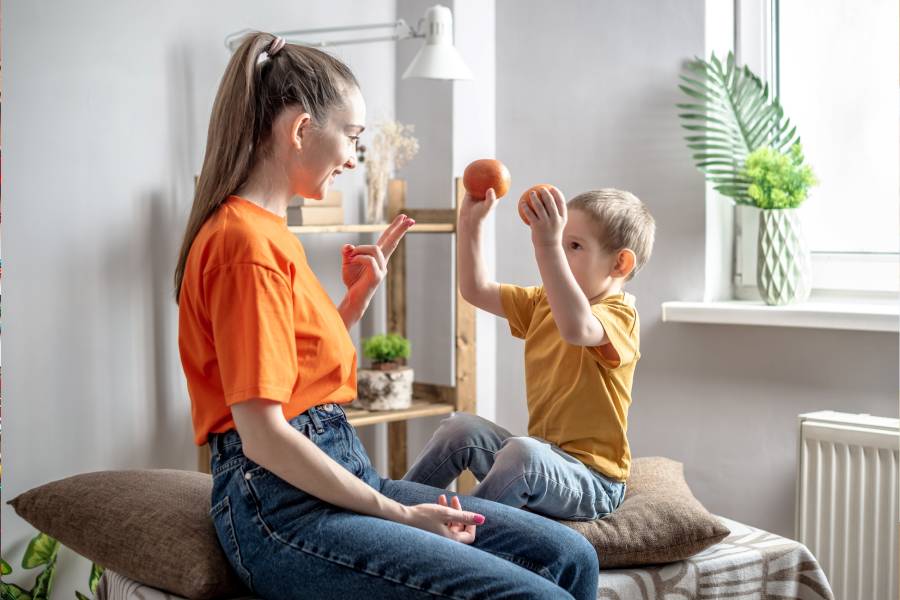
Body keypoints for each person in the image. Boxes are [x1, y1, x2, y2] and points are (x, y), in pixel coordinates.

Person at [174, 32, 599, 600]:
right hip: (281, 510)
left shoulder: (269, 234)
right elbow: (264, 435)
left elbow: (292, 371)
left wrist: (356, 300)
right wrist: (400, 514)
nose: (354, 158)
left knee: (571, 555)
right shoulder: (243, 244)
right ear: (301, 130)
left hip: (334, 475)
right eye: (352, 137)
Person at [404, 185, 655, 522]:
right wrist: (470, 224)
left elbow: (577, 328)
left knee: (524, 452)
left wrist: (547, 245)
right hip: (541, 463)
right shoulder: (543, 302)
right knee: (459, 427)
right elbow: (475, 289)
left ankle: (456, 530)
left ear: (620, 263)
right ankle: (396, 510)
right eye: (560, 243)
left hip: (593, 482)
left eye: (574, 246)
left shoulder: (620, 316)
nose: (560, 254)